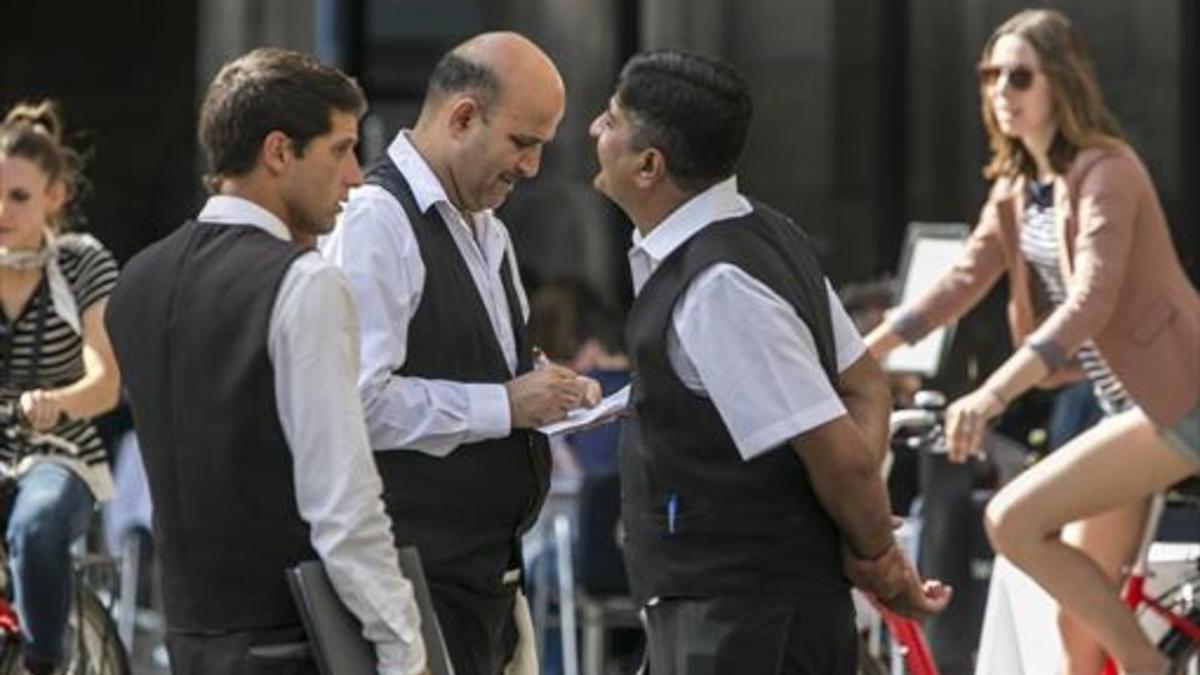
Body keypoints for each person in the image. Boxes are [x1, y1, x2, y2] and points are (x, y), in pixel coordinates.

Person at [588, 50, 950, 674]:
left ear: (649, 165)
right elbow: (863, 385)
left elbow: (842, 453)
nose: (596, 129)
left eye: (612, 119)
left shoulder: (719, 287)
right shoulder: (764, 232)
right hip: (730, 613)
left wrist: (875, 554)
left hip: (745, 623)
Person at [864, 10, 1200, 674]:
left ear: (1063, 82)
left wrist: (989, 394)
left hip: (1176, 399)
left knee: (1014, 521)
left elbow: (1090, 300)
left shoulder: (1109, 170)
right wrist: (862, 351)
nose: (1001, 91)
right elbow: (961, 280)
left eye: (1020, 76)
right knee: (1077, 625)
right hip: (1123, 406)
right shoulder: (1020, 187)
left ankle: (1147, 668)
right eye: (991, 75)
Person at [104, 48, 428, 675]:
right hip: (294, 644)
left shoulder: (135, 283)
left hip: (192, 644)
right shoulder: (305, 284)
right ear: (279, 152)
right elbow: (343, 506)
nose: (356, 177)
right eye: (340, 149)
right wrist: (405, 649)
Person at [322, 32, 598, 675]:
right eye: (523, 143)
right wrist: (505, 403)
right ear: (464, 117)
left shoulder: (489, 228)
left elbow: (464, 364)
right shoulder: (375, 220)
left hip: (486, 581)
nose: (530, 168)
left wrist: (539, 386)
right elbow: (355, 403)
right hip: (412, 586)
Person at [0, 100, 121, 675]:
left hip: (58, 453)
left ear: (56, 197)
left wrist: (57, 403)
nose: (1, 210)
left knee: (38, 524)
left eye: (18, 196)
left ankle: (41, 665)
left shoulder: (80, 264)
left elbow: (107, 382)